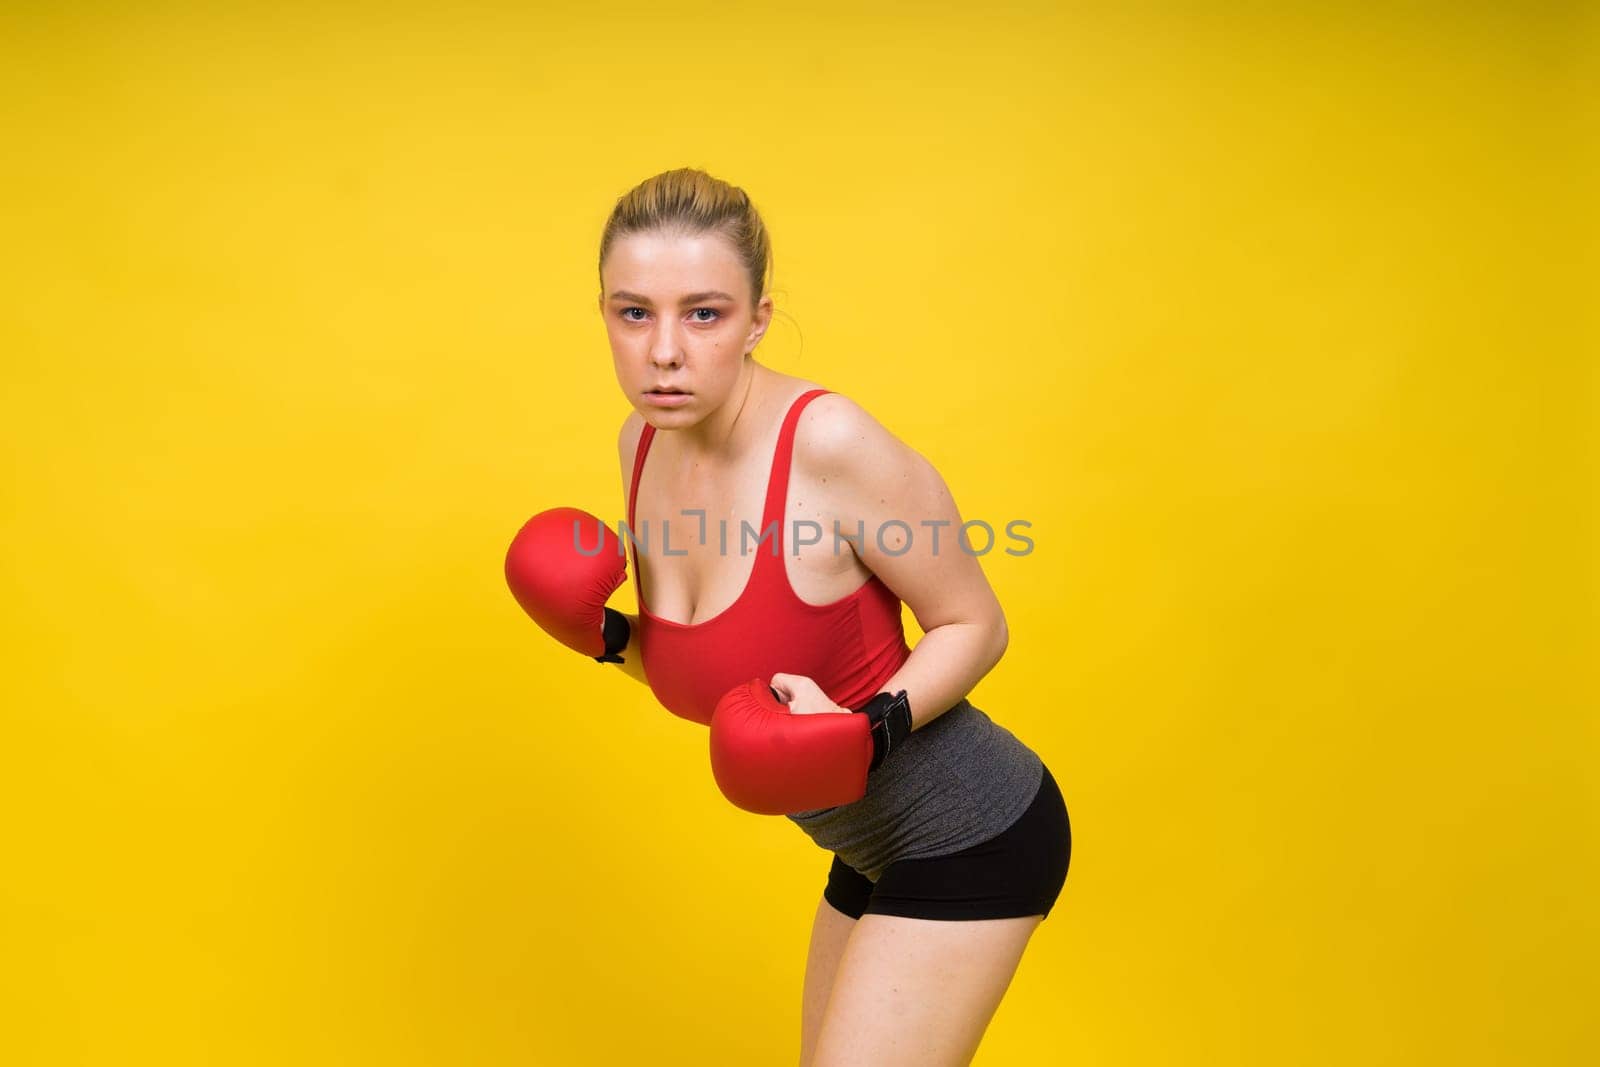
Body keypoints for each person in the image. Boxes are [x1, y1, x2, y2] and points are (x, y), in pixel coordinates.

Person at [506, 168, 1071, 1067]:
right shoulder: (642, 444)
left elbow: (976, 624)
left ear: (758, 319)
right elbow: (712, 661)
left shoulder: (828, 443)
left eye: (703, 313)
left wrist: (865, 728)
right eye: (633, 312)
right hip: (872, 845)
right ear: (603, 316)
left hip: (975, 830)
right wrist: (608, 638)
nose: (663, 351)